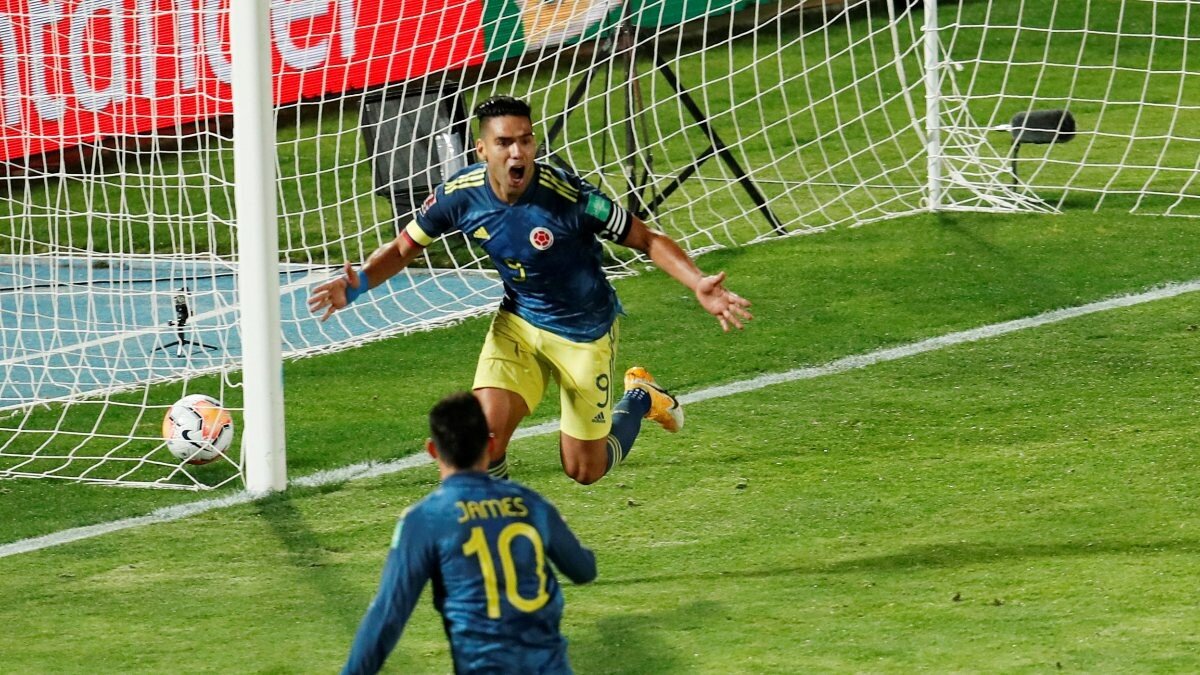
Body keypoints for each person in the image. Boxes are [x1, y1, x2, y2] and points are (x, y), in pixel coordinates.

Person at [309, 95, 752, 484]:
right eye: (504, 142)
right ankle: (500, 520)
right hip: (518, 325)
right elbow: (404, 247)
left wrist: (697, 282)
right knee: (483, 443)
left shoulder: (570, 197)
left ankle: (641, 397)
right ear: (482, 149)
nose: (517, 152)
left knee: (584, 470)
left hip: (583, 334)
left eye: (525, 140)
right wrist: (359, 282)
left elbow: (647, 239)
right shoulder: (460, 195)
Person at [341, 391, 597, 675]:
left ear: (432, 450)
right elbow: (584, 570)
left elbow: (388, 614)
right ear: (490, 444)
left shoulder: (427, 518)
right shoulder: (531, 503)